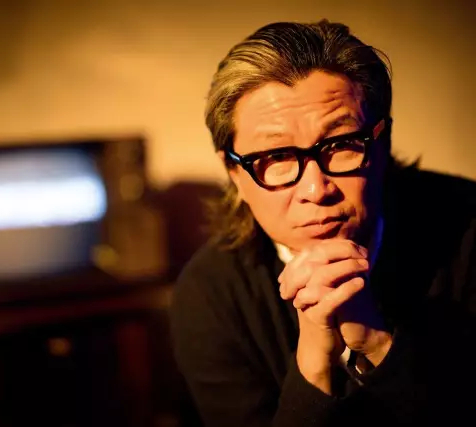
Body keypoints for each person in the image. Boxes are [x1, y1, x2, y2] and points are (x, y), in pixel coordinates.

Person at [169, 20, 476, 427]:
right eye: (276, 158)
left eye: (341, 145)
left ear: (381, 143)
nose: (316, 189)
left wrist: (375, 343)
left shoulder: (468, 227)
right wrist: (314, 365)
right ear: (235, 174)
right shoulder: (210, 294)